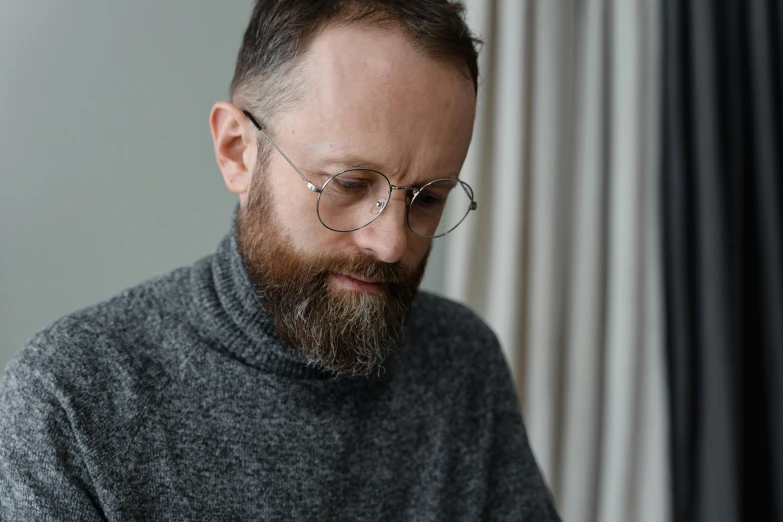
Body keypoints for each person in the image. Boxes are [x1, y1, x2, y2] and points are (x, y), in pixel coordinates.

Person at [0, 1, 560, 520]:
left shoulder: (460, 361)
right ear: (238, 152)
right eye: (350, 183)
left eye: (428, 198)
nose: (391, 245)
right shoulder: (70, 399)